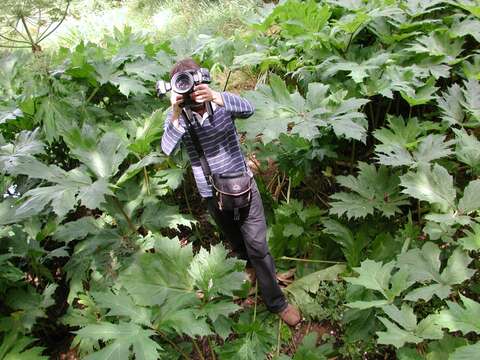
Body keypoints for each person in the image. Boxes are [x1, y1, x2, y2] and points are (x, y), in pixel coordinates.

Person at [161, 58, 301, 326]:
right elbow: (166, 148)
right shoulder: (178, 117)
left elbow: (248, 109)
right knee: (237, 241)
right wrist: (176, 114)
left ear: (201, 77)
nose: (190, 89)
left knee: (258, 246)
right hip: (212, 193)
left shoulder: (220, 102)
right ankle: (249, 269)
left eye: (191, 80)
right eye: (182, 84)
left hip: (243, 185)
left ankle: (277, 303)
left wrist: (216, 96)